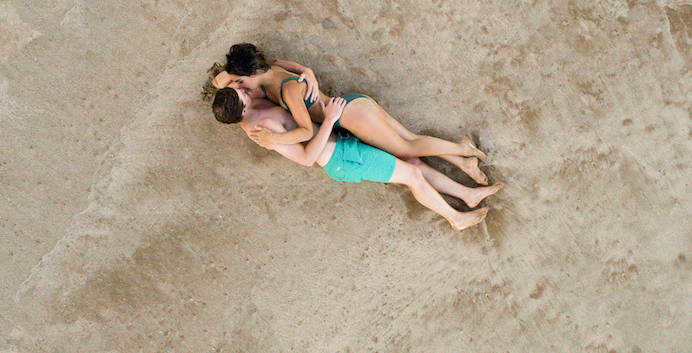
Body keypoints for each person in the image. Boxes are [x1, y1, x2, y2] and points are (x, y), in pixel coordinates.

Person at [210, 86, 502, 233]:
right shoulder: (263, 131)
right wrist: (330, 119)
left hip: (345, 144)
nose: (247, 91)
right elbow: (306, 157)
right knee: (412, 176)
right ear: (243, 112)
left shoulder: (247, 108)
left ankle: (468, 195)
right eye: (243, 95)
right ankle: (456, 218)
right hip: (342, 158)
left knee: (414, 164)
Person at [204, 43, 489, 185]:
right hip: (351, 108)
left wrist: (270, 137)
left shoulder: (285, 90)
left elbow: (304, 132)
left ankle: (460, 148)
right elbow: (220, 83)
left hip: (348, 117)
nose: (239, 86)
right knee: (409, 140)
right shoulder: (273, 67)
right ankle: (462, 163)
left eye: (240, 81)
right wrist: (307, 71)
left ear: (251, 72)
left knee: (407, 147)